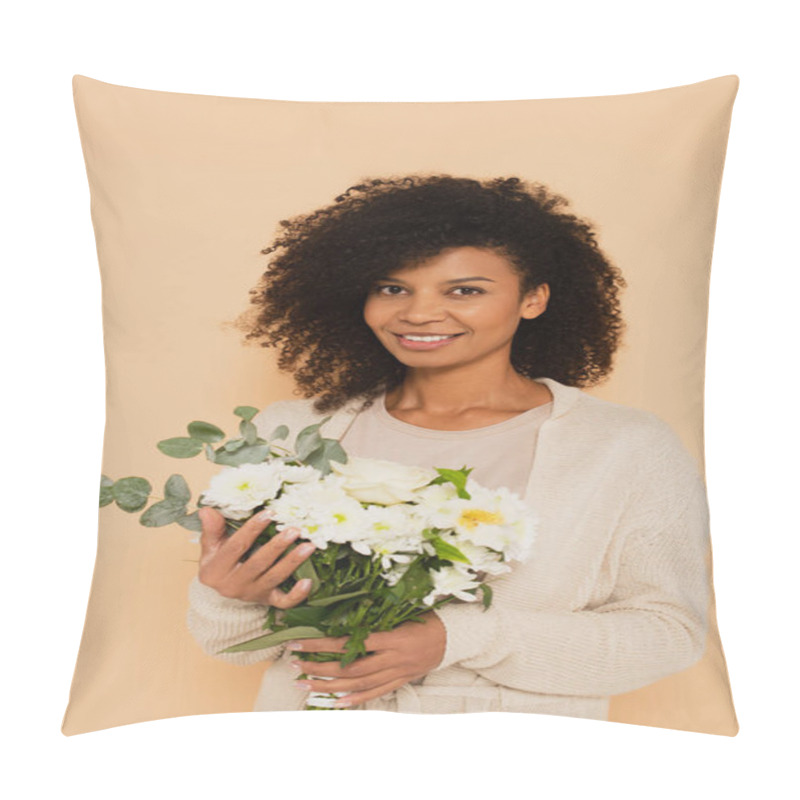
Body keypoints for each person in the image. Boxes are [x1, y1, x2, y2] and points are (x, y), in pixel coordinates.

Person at [187, 175, 710, 719]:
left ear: (533, 299)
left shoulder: (624, 447)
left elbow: (669, 633)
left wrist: (454, 638)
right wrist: (228, 594)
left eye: (465, 290)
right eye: (392, 288)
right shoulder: (296, 431)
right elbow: (225, 643)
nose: (417, 313)